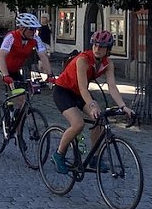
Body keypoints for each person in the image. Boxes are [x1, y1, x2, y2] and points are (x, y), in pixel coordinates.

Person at [50, 30, 134, 174]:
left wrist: (123, 106)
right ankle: (58, 154)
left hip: (78, 93)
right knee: (78, 124)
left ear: (108, 49)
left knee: (99, 119)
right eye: (95, 45)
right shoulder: (83, 60)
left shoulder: (108, 64)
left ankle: (95, 159)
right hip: (63, 91)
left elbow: (112, 87)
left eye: (101, 46)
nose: (97, 48)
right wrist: (92, 105)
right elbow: (83, 88)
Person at [0, 13, 53, 129]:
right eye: (31, 30)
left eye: (35, 29)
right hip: (0, 65)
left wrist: (49, 75)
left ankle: (18, 135)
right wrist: (6, 75)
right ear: (22, 29)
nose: (34, 32)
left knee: (22, 103)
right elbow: (1, 57)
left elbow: (43, 56)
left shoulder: (35, 39)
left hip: (15, 70)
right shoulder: (11, 37)